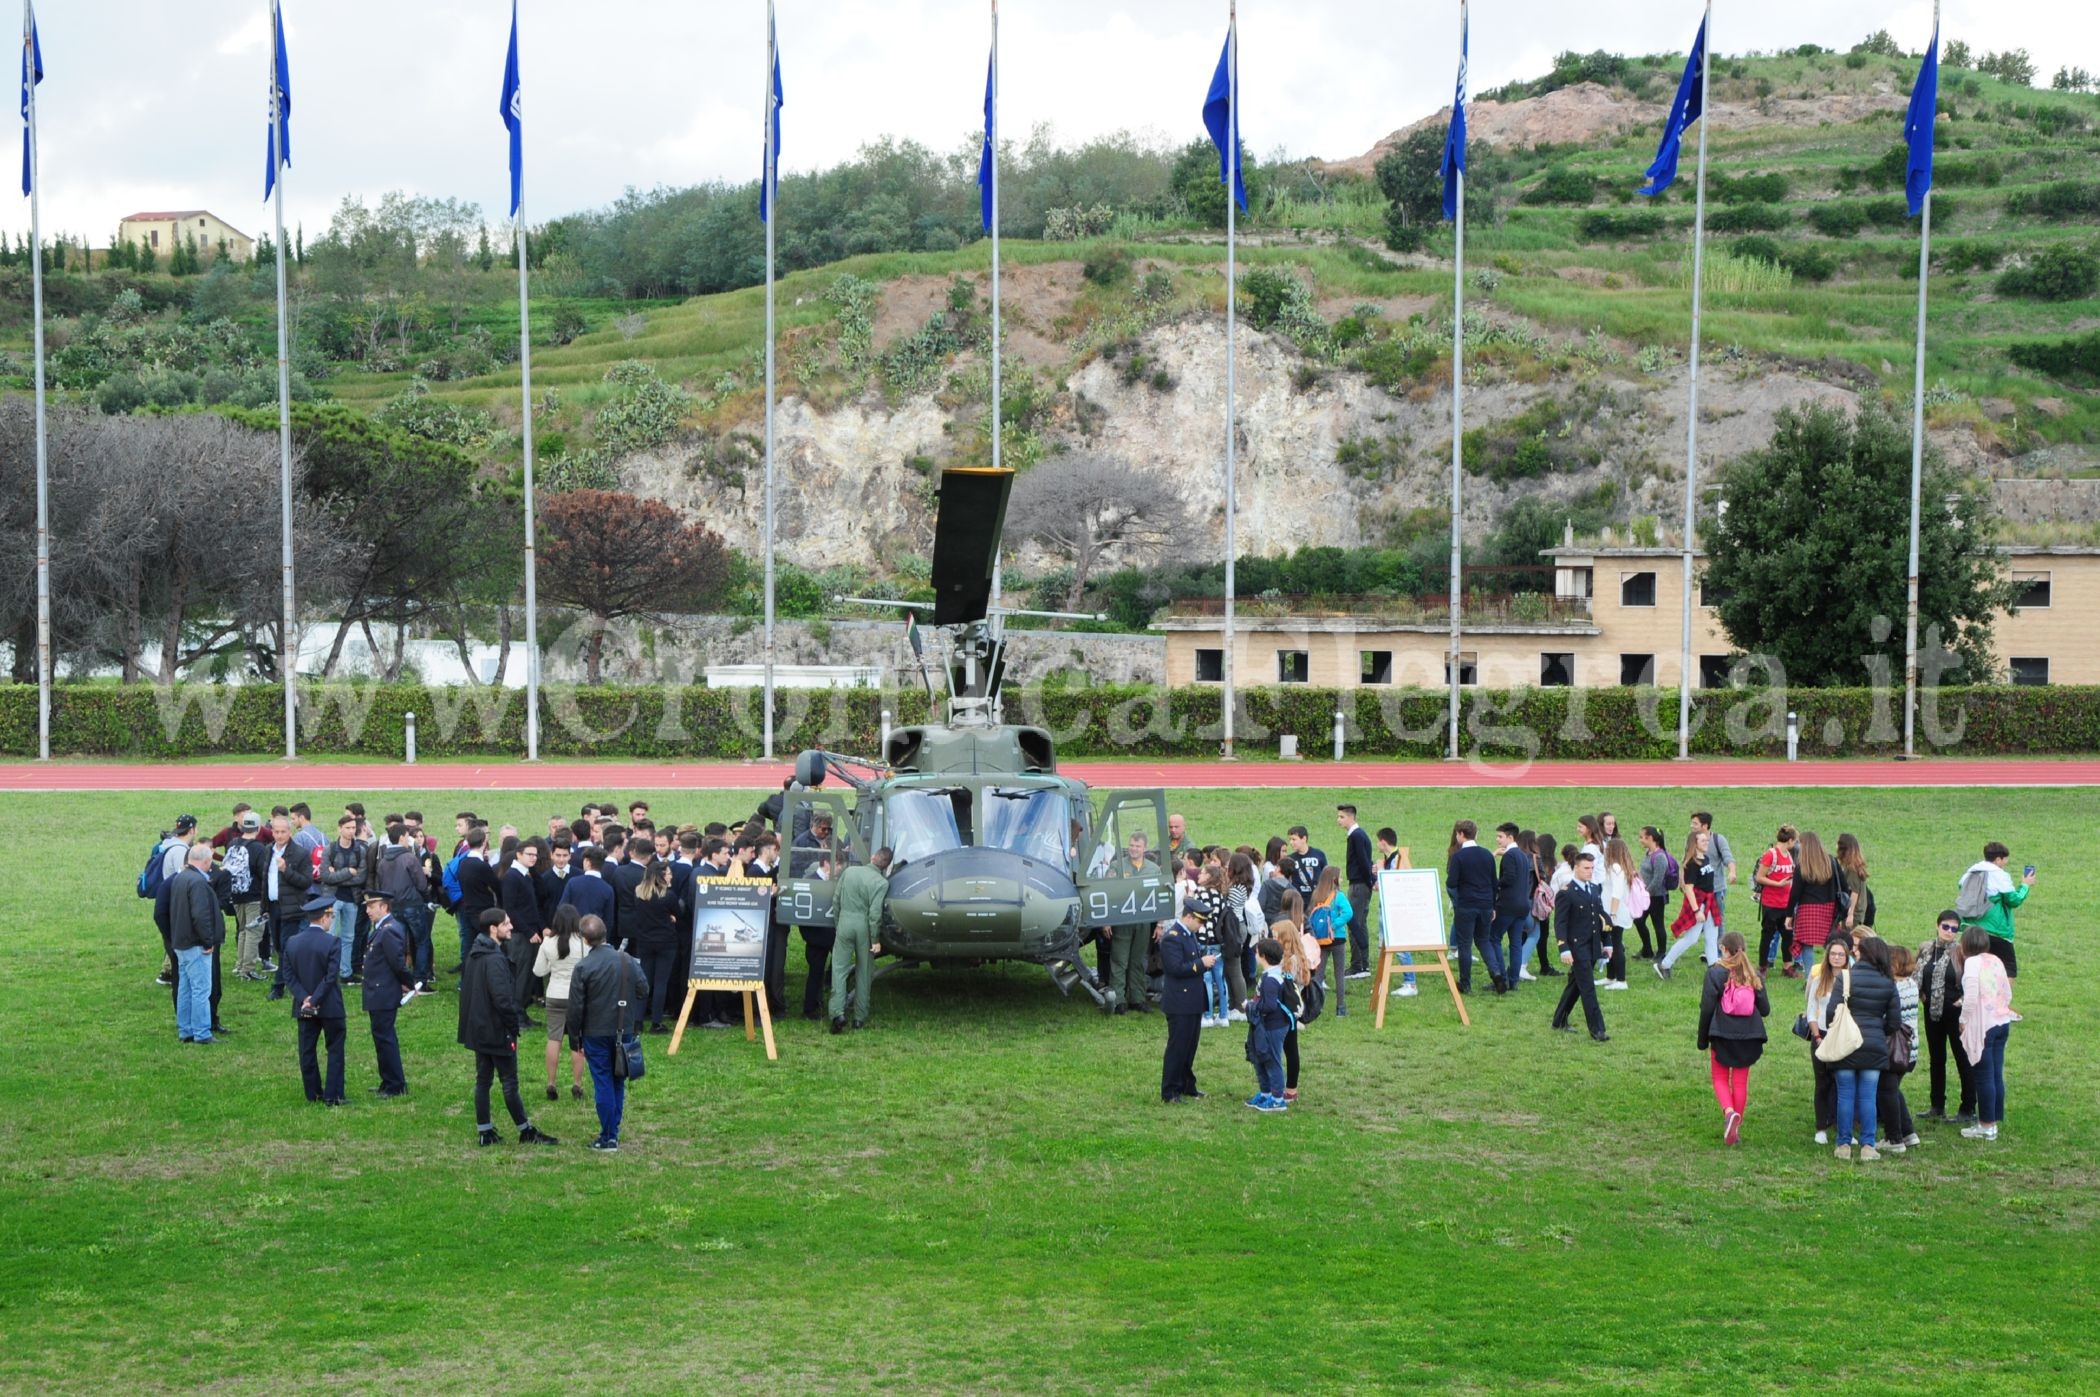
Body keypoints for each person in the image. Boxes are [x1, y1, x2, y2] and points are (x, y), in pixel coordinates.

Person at [459, 908, 558, 1148]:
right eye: (506, 924)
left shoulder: (476, 952)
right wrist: (513, 1026)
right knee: (509, 1082)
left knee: (483, 1080)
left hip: (479, 1029)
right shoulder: (493, 959)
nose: (511, 927)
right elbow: (503, 1000)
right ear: (493, 929)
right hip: (496, 1030)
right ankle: (525, 1130)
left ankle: (485, 1131)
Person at [1822, 926, 1902, 1162]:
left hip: (1847, 1044)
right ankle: (1868, 1145)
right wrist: (1878, 1029)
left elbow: (1830, 1013)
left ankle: (1844, 1144)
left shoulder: (1846, 978)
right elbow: (1895, 1021)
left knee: (1845, 1095)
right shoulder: (1888, 982)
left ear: (1861, 954)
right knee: (1868, 1097)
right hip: (1875, 1045)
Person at [567, 914, 646, 1151]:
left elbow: (575, 1008)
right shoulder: (627, 960)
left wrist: (575, 1039)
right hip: (624, 1029)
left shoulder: (583, 967)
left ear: (584, 939)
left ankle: (608, 1136)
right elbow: (643, 989)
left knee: (603, 1082)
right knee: (617, 1081)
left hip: (594, 1033)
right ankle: (613, 1133)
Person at [1697, 930, 1770, 1145]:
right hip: (1749, 1037)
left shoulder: (1715, 973)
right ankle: (1735, 1129)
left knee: (1719, 1078)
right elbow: (1765, 1010)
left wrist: (1702, 1039)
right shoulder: (1753, 973)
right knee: (1740, 1082)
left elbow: (1707, 1008)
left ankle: (1729, 1114)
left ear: (1724, 949)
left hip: (1721, 1035)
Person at [284, 890, 347, 1106]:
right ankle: (334, 1094)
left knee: (307, 1050)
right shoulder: (333, 942)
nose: (332, 921)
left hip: (304, 1006)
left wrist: (305, 998)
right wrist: (316, 998)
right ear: (324, 917)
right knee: (335, 1049)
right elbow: (331, 977)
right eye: (331, 917)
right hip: (330, 1006)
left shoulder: (292, 942)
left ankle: (313, 1093)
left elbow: (288, 975)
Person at [1958, 925, 2018, 1141]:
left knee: (1983, 1076)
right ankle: (1994, 1119)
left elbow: (1972, 995)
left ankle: (1986, 1125)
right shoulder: (1995, 960)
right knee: (1995, 1073)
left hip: (1984, 1025)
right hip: (2002, 1020)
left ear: (1965, 944)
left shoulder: (1972, 963)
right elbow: (2006, 990)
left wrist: (1963, 1019)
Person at [1918, 909, 1976, 1124]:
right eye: (1946, 927)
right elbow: (1918, 973)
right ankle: (1937, 1105)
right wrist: (1921, 993)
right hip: (1932, 1011)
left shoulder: (1961, 952)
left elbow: (1971, 981)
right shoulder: (1926, 949)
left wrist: (1962, 1000)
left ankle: (1968, 1107)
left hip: (1955, 1013)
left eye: (1954, 929)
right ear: (1937, 925)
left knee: (1963, 1058)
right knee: (1936, 1058)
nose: (1949, 932)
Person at [1550, 851, 1610, 1042]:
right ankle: (1597, 1029)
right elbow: (1560, 924)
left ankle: (1559, 1020)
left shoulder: (1593, 889)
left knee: (1575, 985)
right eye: (1586, 868)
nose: (1590, 872)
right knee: (1587, 988)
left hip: (1591, 946)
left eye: (1592, 868)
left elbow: (1601, 916)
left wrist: (1607, 943)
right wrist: (1563, 948)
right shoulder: (1566, 893)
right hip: (1576, 948)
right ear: (1576, 868)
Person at [831, 847, 892, 1032]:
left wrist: (838, 923)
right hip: (864, 927)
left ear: (873, 857)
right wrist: (875, 938)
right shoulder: (881, 883)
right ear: (886, 865)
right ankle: (859, 1018)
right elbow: (875, 914)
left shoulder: (849, 872)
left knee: (839, 970)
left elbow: (836, 900)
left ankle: (837, 1013)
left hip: (845, 922)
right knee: (864, 972)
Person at [1159, 901, 1214, 1104]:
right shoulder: (1172, 939)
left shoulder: (1189, 935)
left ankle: (1186, 1085)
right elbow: (1175, 968)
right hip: (1179, 1002)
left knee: (1190, 1047)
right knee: (1177, 1048)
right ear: (1189, 916)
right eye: (1199, 921)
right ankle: (1170, 1090)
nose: (1201, 926)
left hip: (1192, 1000)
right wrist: (1201, 963)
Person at [535, 904, 590, 1100]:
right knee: (577, 1040)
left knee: (554, 1038)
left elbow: (539, 971)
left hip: (555, 994)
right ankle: (577, 1084)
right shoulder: (584, 943)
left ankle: (551, 1082)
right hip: (576, 996)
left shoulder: (548, 943)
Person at [360, 890, 412, 1098]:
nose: (367, 911)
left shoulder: (389, 930)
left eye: (371, 907)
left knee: (385, 1039)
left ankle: (395, 1084)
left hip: (383, 993)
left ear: (384, 907)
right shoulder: (383, 928)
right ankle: (388, 1080)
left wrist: (409, 984)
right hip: (379, 992)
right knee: (381, 1038)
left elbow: (397, 963)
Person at [168, 843, 221, 1045]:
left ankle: (186, 1030)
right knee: (201, 989)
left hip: (180, 941)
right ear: (207, 861)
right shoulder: (198, 882)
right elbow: (200, 915)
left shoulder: (180, 877)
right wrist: (208, 940)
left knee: (185, 987)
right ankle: (202, 1032)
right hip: (196, 943)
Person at [1957, 841, 2032, 979]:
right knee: (2008, 969)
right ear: (1998, 859)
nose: (2005, 863)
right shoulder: (1999, 875)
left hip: (1970, 930)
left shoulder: (1969, 873)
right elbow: (2014, 900)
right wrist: (2025, 886)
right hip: (1995, 931)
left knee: (1973, 969)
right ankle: (2002, 1000)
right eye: (2005, 859)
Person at [1803, 934, 1852, 1145]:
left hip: (1842, 1036)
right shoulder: (1818, 979)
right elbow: (1811, 1011)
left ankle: (1844, 1128)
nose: (1837, 958)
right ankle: (1821, 1127)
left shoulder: (1851, 979)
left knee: (1843, 1084)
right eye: (1833, 954)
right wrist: (1816, 1036)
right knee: (1822, 1082)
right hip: (1821, 1034)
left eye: (1841, 954)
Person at [373, 821, 433, 992]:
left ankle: (399, 979)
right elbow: (421, 884)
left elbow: (381, 883)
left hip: (393, 906)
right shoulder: (409, 857)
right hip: (412, 905)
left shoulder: (383, 861)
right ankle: (420, 980)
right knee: (421, 941)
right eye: (407, 837)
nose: (409, 840)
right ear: (401, 838)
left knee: (397, 943)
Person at [1445, 819, 1504, 995]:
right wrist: (1493, 906)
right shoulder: (1487, 854)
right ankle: (1497, 973)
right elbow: (1494, 883)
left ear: (1461, 835)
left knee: (1465, 944)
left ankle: (1465, 983)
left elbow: (1451, 882)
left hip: (1466, 905)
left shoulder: (1458, 857)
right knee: (1483, 941)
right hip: (1486, 905)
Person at [627, 853, 683, 1033]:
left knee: (644, 981)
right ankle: (656, 1022)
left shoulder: (639, 893)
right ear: (660, 876)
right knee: (661, 983)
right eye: (668, 873)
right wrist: (671, 918)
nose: (671, 876)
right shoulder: (669, 896)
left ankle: (637, 1020)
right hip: (666, 943)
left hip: (645, 942)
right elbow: (677, 914)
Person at [1104, 830, 1157, 1016]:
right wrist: (1107, 921)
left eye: (1138, 846)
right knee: (1119, 960)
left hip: (1143, 921)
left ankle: (1137, 998)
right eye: (1132, 845)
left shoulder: (1153, 868)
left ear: (1145, 848)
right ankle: (1118, 1000)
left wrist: (1159, 924)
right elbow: (1108, 894)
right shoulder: (1117, 866)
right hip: (1122, 920)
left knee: (1138, 960)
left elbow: (1159, 897)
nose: (1134, 849)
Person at [1875, 939, 1920, 1152]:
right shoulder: (1911, 985)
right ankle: (1908, 1132)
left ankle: (1894, 1139)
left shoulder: (1894, 988)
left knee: (1885, 1090)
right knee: (1893, 1089)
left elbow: (1887, 1017)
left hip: (1894, 1047)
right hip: (1910, 1047)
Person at [1657, 829, 1721, 979]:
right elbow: (1689, 889)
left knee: (1712, 936)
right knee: (1691, 938)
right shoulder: (1691, 864)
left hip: (1710, 902)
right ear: (1695, 843)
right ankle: (1664, 965)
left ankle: (1713, 969)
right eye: (1703, 841)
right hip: (1699, 903)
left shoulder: (1704, 858)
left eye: (1707, 840)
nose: (1707, 843)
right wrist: (1697, 910)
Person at [1784, 831, 1845, 982]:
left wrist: (1789, 915)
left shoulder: (1802, 866)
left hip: (1807, 909)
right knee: (1830, 944)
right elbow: (1844, 886)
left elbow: (1795, 893)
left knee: (1806, 946)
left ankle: (1810, 980)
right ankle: (1831, 977)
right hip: (1828, 908)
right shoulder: (1831, 862)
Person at [320, 814, 372, 984]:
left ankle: (345, 972)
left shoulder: (360, 850)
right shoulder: (330, 849)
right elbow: (325, 876)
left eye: (353, 828)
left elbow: (361, 877)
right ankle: (327, 971)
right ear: (339, 829)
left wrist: (338, 874)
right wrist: (348, 872)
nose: (351, 831)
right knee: (330, 936)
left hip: (351, 899)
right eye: (347, 828)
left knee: (348, 937)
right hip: (332, 898)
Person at [1245, 936, 1291, 1112]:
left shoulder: (1271, 979)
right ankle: (1265, 1094)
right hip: (1267, 1025)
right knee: (1261, 1060)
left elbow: (1270, 1005)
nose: (1255, 955)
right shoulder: (1273, 974)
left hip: (1273, 1025)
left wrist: (1250, 1006)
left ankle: (1278, 1099)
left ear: (1263, 956)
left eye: (1256, 952)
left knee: (1272, 1060)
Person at [1275, 911, 1317, 1103]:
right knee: (1289, 1048)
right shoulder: (1297, 958)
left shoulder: (1290, 962)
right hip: (1290, 1011)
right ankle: (1289, 1088)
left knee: (1288, 1049)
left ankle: (1289, 1089)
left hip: (1286, 1011)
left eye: (1275, 936)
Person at [225, 810, 268, 982]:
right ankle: (248, 969)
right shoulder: (259, 848)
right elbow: (263, 873)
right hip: (254, 896)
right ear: (258, 828)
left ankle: (240, 965)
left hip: (236, 895)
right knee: (254, 932)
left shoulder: (233, 844)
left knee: (243, 930)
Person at [1492, 823, 1535, 992]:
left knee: (1493, 938)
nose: (1497, 840)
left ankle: (1501, 977)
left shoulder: (1509, 856)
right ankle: (1513, 980)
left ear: (1510, 837)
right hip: (1523, 906)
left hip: (1508, 905)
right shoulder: (1523, 855)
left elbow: (1508, 878)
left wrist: (1495, 883)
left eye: (1500, 836)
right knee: (1515, 943)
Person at [1306, 866, 1354, 1017]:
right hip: (1337, 938)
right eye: (1339, 877)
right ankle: (1340, 1008)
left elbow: (1310, 915)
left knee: (1319, 975)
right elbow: (1349, 912)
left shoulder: (1316, 895)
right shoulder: (1338, 896)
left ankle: (1314, 1007)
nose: (1341, 879)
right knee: (1339, 974)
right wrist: (1333, 925)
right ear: (1334, 879)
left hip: (1321, 939)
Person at [1376, 830, 1418, 997]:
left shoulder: (1398, 858)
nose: (1377, 845)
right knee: (1384, 948)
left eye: (1378, 841)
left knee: (1400, 946)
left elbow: (1394, 882)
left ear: (1384, 842)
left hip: (1395, 910)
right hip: (1387, 907)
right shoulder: (1391, 858)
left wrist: (1380, 870)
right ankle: (1382, 982)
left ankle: (1410, 983)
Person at [1338, 804, 1375, 979]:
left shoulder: (1356, 836)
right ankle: (1363, 964)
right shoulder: (1359, 835)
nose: (1339, 820)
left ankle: (1358, 966)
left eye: (1342, 817)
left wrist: (1369, 881)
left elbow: (1363, 861)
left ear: (1351, 817)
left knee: (1354, 924)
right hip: (1361, 884)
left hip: (1359, 885)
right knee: (1360, 923)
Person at [1754, 826, 1797, 973]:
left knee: (1788, 936)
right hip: (1771, 903)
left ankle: (1787, 966)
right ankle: (1762, 967)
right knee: (1767, 935)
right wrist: (1778, 884)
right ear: (1790, 840)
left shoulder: (1788, 855)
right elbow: (1759, 877)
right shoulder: (1771, 855)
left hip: (1786, 903)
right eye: (1794, 841)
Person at [1599, 836, 1638, 991]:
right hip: (1611, 911)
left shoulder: (1616, 868)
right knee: (1609, 943)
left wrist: (1612, 914)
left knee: (1616, 944)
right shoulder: (1615, 867)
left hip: (1615, 912)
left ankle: (1621, 979)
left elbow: (1617, 893)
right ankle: (1611, 976)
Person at [1691, 810, 1737, 928]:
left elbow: (1728, 858)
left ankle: (1719, 947)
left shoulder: (1718, 839)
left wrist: (1732, 872)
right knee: (1694, 921)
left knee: (1718, 921)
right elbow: (1686, 862)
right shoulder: (1691, 840)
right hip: (1697, 890)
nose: (1692, 826)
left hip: (1716, 889)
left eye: (1695, 823)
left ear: (1705, 826)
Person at [1635, 826, 1672, 961]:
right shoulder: (1649, 853)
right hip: (1646, 896)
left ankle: (1661, 953)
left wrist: (1645, 894)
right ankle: (1647, 949)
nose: (1640, 840)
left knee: (1658, 925)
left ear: (1650, 838)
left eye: (1642, 837)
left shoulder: (1660, 856)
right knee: (1638, 921)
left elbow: (1657, 880)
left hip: (1656, 897)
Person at [1836, 833, 1876, 932]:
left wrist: (1850, 914)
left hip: (1854, 912)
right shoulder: (1855, 865)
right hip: (1858, 911)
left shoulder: (1852, 868)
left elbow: (1854, 892)